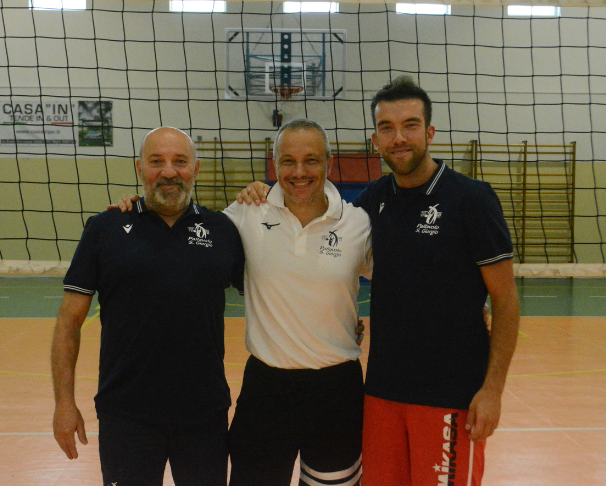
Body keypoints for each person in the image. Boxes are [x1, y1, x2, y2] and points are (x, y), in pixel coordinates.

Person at [240, 77, 520, 486]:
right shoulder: (369, 204)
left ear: (430, 132)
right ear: (375, 139)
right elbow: (337, 266)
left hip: (450, 396)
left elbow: (506, 301)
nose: (399, 138)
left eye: (409, 125)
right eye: (387, 128)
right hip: (381, 395)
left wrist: (492, 390)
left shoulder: (471, 200)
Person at [113, 119, 372, 486]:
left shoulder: (358, 224)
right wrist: (139, 209)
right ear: (274, 162)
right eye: (288, 161)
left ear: (329, 163)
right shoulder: (246, 213)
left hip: (337, 389)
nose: (299, 172)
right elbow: (180, 228)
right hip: (267, 390)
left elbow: (402, 284)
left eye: (311, 160)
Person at [51, 127, 245, 486]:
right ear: (140, 168)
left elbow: (273, 295)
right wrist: (64, 403)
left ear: (196, 168)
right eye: (157, 162)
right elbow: (68, 322)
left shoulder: (223, 230)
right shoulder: (105, 228)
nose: (169, 172)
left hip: (204, 414)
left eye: (180, 162)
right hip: (126, 416)